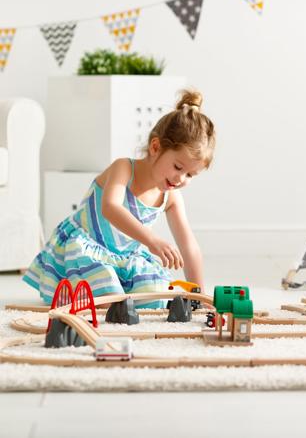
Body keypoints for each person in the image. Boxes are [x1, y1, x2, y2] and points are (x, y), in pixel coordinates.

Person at [23, 89, 215, 308]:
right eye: (178, 167)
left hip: (126, 258)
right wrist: (152, 240)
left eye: (190, 175)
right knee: (109, 295)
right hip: (87, 249)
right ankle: (107, 296)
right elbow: (110, 208)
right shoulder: (124, 168)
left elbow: (189, 246)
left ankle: (126, 297)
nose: (181, 178)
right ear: (155, 147)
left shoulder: (171, 197)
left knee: (158, 296)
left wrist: (201, 297)